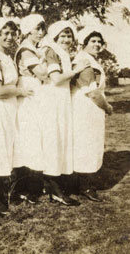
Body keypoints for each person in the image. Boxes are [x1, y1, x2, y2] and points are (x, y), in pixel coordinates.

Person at [0, 17, 33, 214]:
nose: (10, 37)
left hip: (8, 109)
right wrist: (20, 91)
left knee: (5, 150)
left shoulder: (7, 57)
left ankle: (3, 196)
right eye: (5, 34)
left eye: (12, 33)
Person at [40, 20, 89, 206]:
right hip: (52, 98)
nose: (67, 39)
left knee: (62, 139)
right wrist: (76, 70)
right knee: (54, 139)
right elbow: (56, 78)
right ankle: (54, 189)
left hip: (62, 99)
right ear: (55, 37)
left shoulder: (64, 53)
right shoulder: (51, 50)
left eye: (69, 36)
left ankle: (56, 186)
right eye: (63, 36)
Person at [72, 27, 113, 202]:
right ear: (85, 43)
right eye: (93, 41)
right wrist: (108, 107)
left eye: (99, 41)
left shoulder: (89, 59)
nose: (97, 44)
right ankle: (86, 186)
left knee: (87, 143)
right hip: (86, 107)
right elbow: (93, 93)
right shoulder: (85, 61)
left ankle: (83, 182)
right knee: (87, 144)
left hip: (88, 107)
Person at [13, 14, 48, 203]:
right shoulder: (26, 50)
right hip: (29, 94)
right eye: (37, 29)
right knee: (28, 137)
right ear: (28, 30)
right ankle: (24, 188)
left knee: (34, 137)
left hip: (34, 94)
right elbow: (41, 73)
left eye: (43, 29)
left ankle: (31, 185)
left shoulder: (34, 49)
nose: (41, 32)